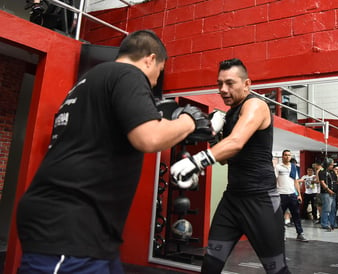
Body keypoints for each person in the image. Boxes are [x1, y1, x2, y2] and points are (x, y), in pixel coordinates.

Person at [16, 30, 214, 274]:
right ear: (150, 59)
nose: (154, 81)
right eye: (159, 72)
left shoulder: (91, 80)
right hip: (69, 227)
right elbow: (149, 137)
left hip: (91, 231)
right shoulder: (128, 74)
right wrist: (189, 121)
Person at [170, 58, 290, 274]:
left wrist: (196, 162)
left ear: (247, 84)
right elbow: (225, 159)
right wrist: (213, 136)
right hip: (232, 201)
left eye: (230, 83)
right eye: (219, 84)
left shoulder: (255, 105)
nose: (223, 89)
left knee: (277, 270)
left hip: (260, 201)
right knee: (210, 264)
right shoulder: (231, 114)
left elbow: (236, 143)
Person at [275, 150, 309, 242]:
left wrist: (299, 195)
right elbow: (274, 180)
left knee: (296, 215)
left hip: (292, 195)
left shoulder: (293, 167)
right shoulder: (278, 167)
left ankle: (300, 234)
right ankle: (282, 234)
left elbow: (296, 181)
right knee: (279, 216)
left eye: (289, 155)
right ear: (282, 156)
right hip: (281, 195)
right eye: (285, 155)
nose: (287, 157)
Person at [318, 158, 338, 231]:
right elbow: (322, 182)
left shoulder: (332, 172)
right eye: (331, 165)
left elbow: (336, 180)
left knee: (333, 209)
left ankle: (332, 223)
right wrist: (328, 190)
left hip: (333, 193)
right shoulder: (322, 172)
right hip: (326, 193)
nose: (332, 166)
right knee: (326, 209)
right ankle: (325, 223)